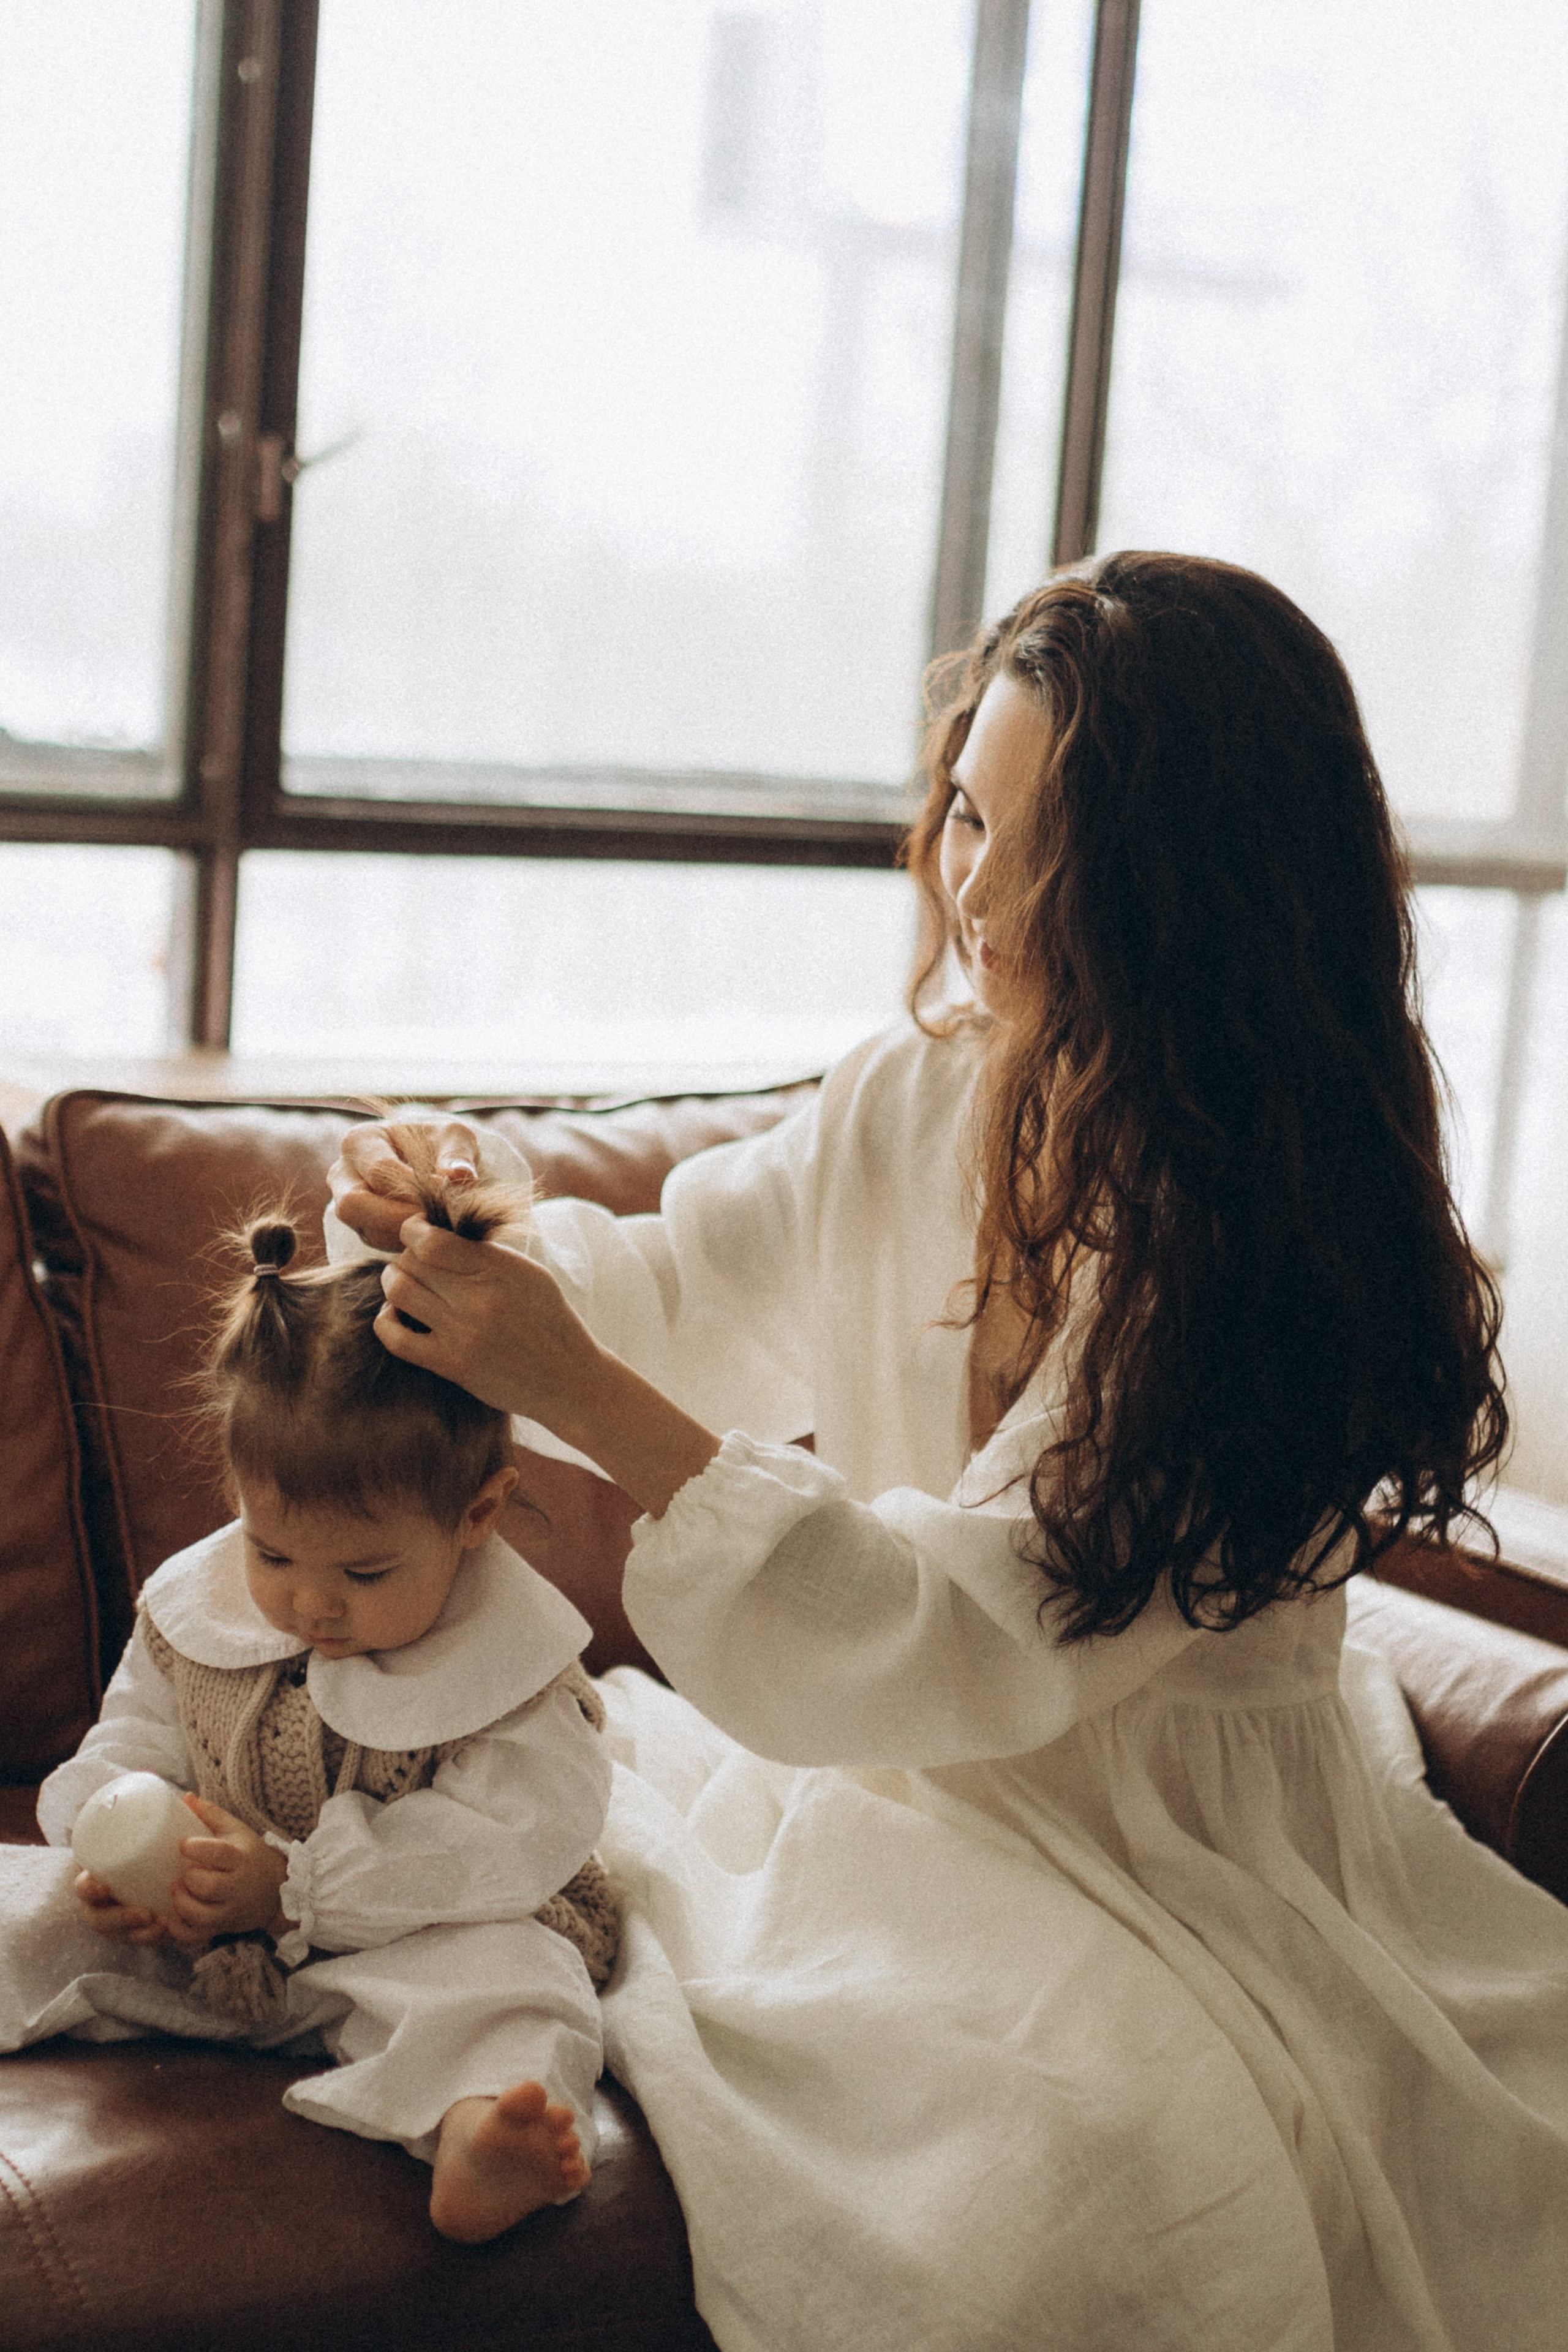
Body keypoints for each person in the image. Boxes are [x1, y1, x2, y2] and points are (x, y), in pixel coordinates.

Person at [328, 552, 1568, 2350]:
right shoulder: (920, 1092)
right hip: (908, 1798)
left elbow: (983, 1631)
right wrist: (457, 1236)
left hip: (1182, 1847)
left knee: (1101, 2181)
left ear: (1190, 891)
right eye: (964, 817)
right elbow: (676, 1292)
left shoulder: (1267, 1239)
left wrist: (588, 1398)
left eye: (1043, 848)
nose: (977, 890)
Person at [0, 1152, 617, 2244]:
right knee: (25, 1901)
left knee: (521, 1984)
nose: (310, 1606)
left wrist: (293, 1890)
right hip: (205, 1934)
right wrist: (123, 1861)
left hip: (409, 1934)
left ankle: (484, 2130)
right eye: (274, 1552)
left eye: (364, 1575)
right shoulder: (198, 1611)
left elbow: (509, 1843)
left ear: (477, 1517)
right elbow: (130, 1738)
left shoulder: (514, 1677)